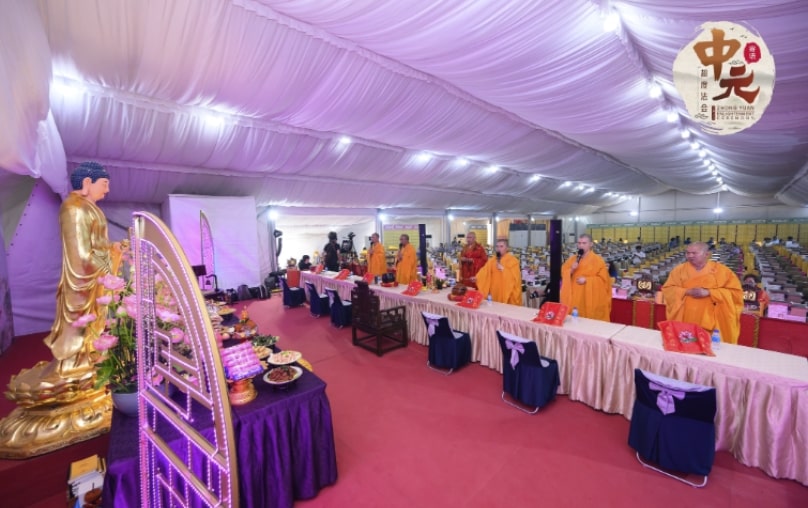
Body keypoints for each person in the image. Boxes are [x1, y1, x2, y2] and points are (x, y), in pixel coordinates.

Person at [8, 162, 121, 403]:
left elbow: (97, 248)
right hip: (81, 284)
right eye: (105, 184)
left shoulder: (90, 208)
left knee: (95, 330)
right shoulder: (74, 208)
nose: (108, 190)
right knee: (80, 330)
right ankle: (75, 367)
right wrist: (110, 257)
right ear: (88, 183)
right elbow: (81, 256)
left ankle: (89, 362)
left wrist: (114, 249)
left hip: (94, 282)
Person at [661, 242, 743, 344]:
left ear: (707, 254)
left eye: (694, 253)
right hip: (686, 317)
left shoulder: (723, 271)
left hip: (711, 321)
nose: (690, 256)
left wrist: (709, 292)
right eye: (688, 253)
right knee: (687, 344)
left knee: (708, 348)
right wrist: (687, 291)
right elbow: (668, 289)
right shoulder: (679, 270)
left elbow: (735, 294)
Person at [560, 234, 612, 321]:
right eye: (579, 243)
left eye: (584, 243)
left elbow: (604, 281)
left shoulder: (598, 261)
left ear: (591, 244)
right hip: (575, 295)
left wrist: (587, 280)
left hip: (591, 297)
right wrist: (571, 270)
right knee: (574, 319)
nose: (581, 245)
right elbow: (564, 274)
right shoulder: (572, 259)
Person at [475, 238, 522, 305]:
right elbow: (484, 271)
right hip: (495, 290)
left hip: (506, 291)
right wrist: (477, 278)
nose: (498, 249)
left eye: (501, 246)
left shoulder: (513, 261)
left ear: (507, 248)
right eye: (497, 246)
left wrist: (504, 269)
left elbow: (515, 279)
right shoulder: (492, 260)